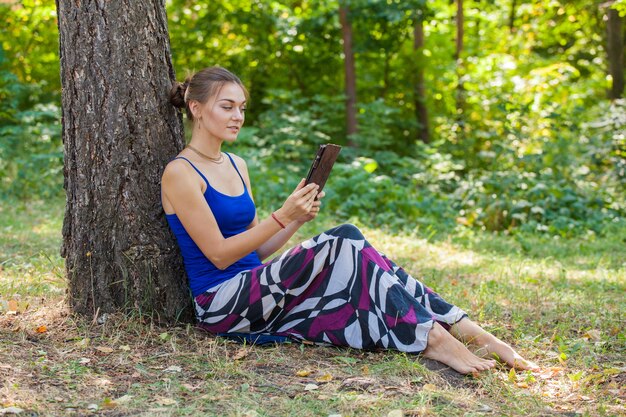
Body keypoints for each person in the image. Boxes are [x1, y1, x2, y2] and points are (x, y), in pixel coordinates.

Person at [161, 66, 537, 375]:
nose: (238, 117)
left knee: (349, 242)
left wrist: (296, 219)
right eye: (227, 107)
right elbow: (220, 256)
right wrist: (281, 215)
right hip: (222, 304)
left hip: (258, 288)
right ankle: (436, 339)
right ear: (195, 108)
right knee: (343, 239)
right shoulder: (181, 173)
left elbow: (257, 251)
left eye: (242, 107)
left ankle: (464, 329)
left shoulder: (236, 165)